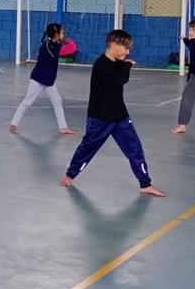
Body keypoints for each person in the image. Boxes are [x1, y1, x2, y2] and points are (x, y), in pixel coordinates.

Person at [61, 29, 165, 197]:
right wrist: (128, 65)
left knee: (135, 150)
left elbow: (120, 75)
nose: (128, 52)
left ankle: (145, 184)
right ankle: (70, 175)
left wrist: (124, 64)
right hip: (100, 118)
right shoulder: (101, 65)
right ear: (115, 45)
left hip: (120, 117)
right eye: (126, 48)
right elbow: (119, 80)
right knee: (87, 148)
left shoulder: (118, 63)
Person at [9, 23, 77, 135]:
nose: (63, 34)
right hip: (39, 79)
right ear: (56, 34)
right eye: (62, 32)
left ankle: (63, 127)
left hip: (48, 80)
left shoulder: (51, 44)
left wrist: (62, 39)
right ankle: (13, 123)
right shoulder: (52, 47)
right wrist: (66, 40)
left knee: (57, 101)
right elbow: (72, 48)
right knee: (27, 101)